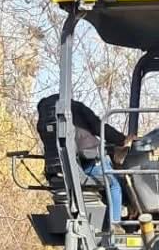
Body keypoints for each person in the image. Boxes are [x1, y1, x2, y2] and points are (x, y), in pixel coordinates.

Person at [38, 93, 127, 224]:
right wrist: (123, 140)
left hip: (64, 169)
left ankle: (113, 217)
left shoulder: (46, 122)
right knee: (115, 184)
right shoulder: (76, 108)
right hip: (89, 163)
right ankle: (116, 226)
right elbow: (99, 127)